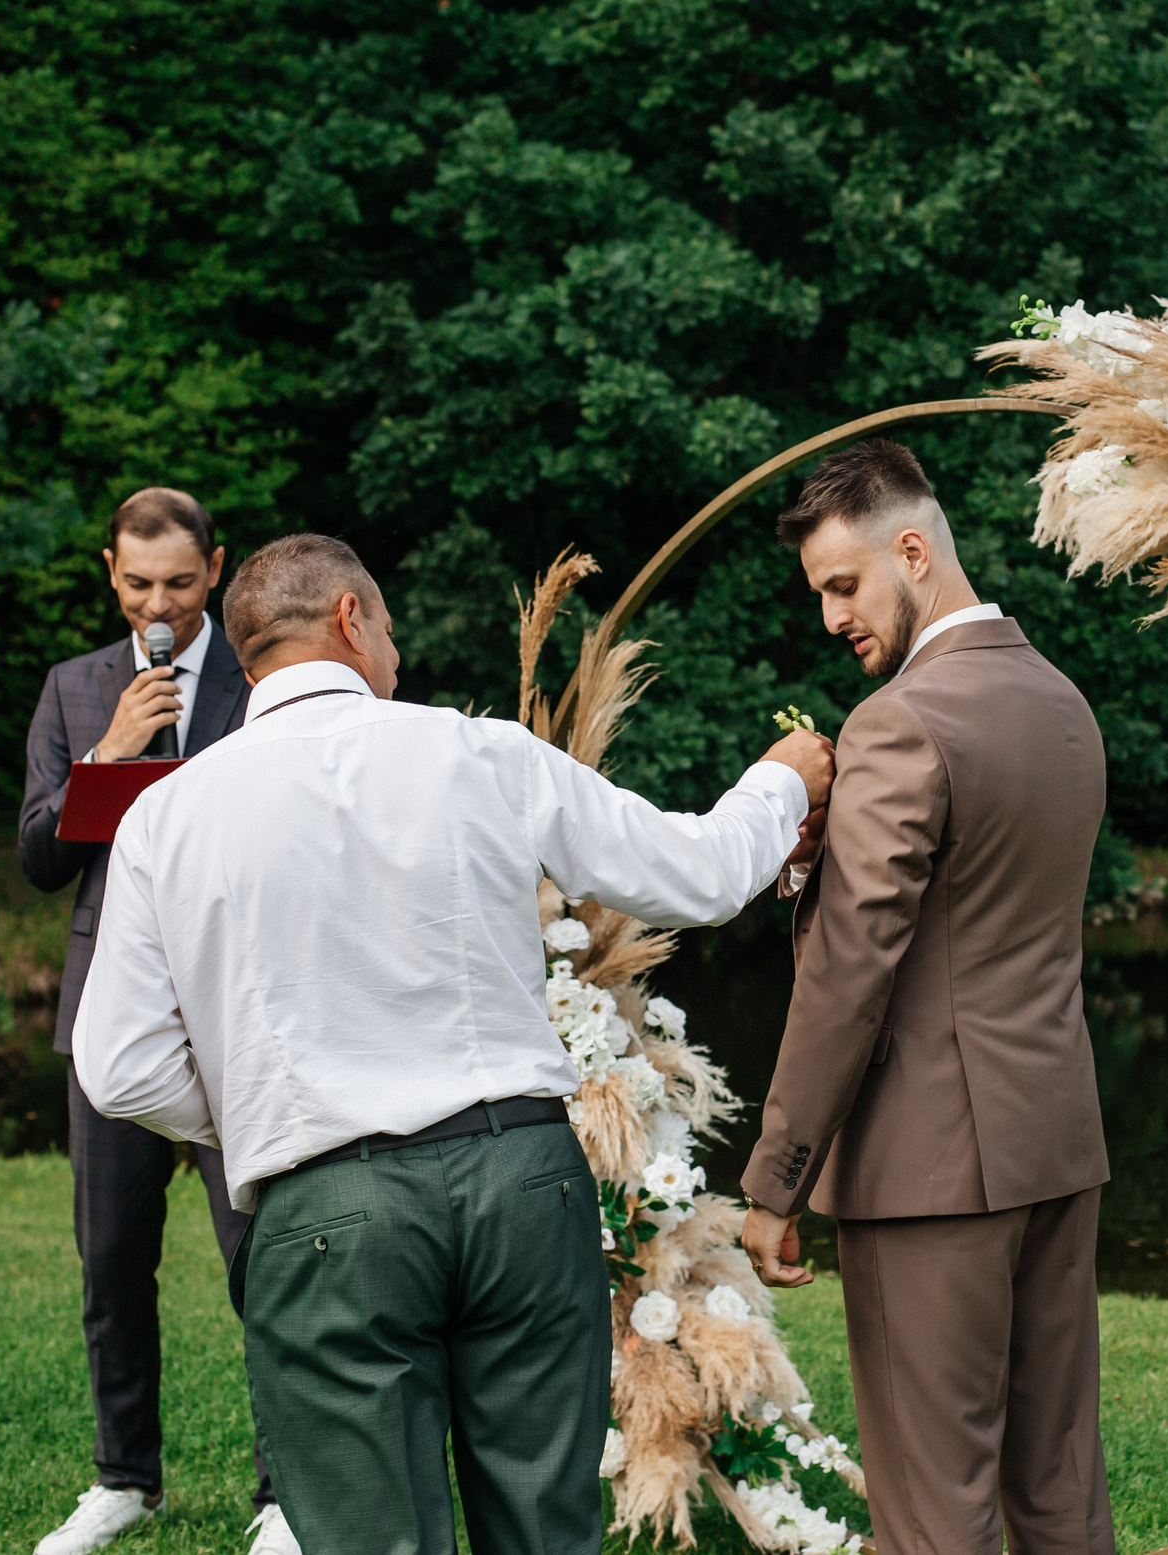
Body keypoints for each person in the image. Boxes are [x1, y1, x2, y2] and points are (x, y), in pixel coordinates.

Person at [73, 533, 835, 1555]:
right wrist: (781, 781)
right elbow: (696, 874)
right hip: (521, 1184)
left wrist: (271, 1102)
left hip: (323, 1206)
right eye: (386, 627)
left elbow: (118, 1066)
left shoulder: (165, 818)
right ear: (350, 618)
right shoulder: (477, 753)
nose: (396, 654)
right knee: (542, 1533)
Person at [739, 440, 1116, 1555]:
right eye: (819, 595)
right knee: (1057, 1492)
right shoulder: (1059, 701)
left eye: (843, 585)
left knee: (932, 1508)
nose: (830, 618)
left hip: (929, 1171)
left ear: (913, 548)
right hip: (1054, 1144)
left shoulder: (900, 722)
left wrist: (777, 1177)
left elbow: (854, 973)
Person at [19, 488, 296, 1555]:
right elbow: (41, 859)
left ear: (215, 570)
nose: (160, 605)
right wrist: (110, 755)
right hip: (110, 1024)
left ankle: (282, 1492)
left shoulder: (264, 680)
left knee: (263, 1262)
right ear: (110, 573)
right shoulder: (73, 688)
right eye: (139, 584)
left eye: (180, 583)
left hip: (236, 1018)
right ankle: (124, 1481)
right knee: (112, 1261)